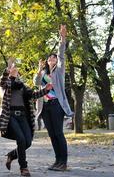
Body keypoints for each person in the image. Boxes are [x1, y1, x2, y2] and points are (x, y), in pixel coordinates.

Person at [0, 58, 53, 176]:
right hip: (11, 116)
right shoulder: (6, 85)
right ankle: (24, 168)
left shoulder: (23, 86)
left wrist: (45, 90)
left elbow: (33, 95)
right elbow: (3, 82)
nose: (15, 72)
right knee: (21, 139)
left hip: (23, 116)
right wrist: (8, 71)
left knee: (27, 142)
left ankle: (12, 155)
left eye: (16, 71)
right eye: (13, 70)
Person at [34, 25, 74, 171]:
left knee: (58, 133)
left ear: (56, 61)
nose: (52, 58)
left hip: (57, 105)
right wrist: (39, 70)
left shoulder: (59, 72)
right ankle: (57, 161)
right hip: (45, 107)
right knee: (51, 135)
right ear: (46, 61)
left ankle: (63, 162)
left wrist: (62, 39)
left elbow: (61, 54)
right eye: (49, 57)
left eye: (54, 57)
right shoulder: (43, 74)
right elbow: (36, 83)